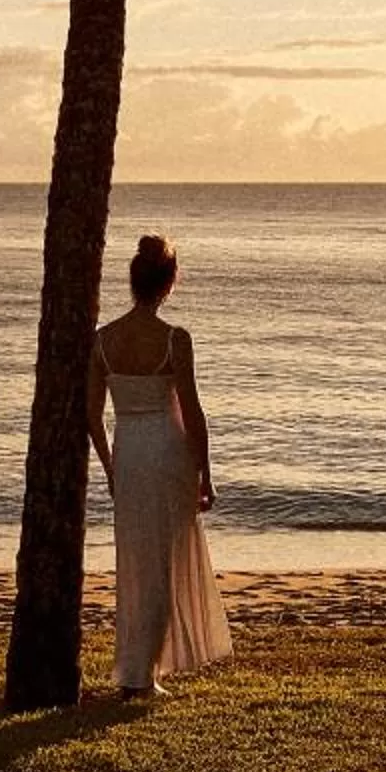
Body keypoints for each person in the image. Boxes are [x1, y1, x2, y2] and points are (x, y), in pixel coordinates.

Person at [89, 233, 231, 692]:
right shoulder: (174, 339)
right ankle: (141, 674)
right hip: (167, 450)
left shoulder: (103, 340)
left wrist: (110, 466)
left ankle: (138, 669)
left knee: (134, 557)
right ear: (168, 284)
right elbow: (192, 411)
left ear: (133, 282)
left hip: (129, 449)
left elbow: (91, 414)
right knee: (165, 560)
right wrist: (205, 473)